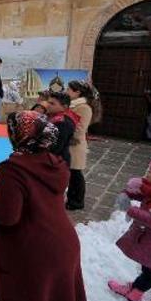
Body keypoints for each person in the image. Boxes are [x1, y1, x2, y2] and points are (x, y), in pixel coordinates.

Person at [0, 111, 87, 301]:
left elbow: (8, 216)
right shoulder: (55, 164)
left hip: (34, 251)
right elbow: (35, 192)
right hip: (64, 245)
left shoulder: (12, 169)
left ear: (20, 136)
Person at [108, 159, 151, 301]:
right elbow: (148, 194)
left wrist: (130, 210)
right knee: (150, 270)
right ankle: (135, 292)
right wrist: (128, 194)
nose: (149, 176)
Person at [66, 80, 101, 211]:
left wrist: (65, 134)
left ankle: (77, 201)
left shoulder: (84, 107)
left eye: (69, 89)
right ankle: (71, 199)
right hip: (70, 144)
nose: (66, 91)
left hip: (75, 145)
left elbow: (79, 129)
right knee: (72, 174)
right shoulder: (74, 105)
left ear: (77, 92)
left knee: (76, 174)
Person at [45, 92, 79, 172]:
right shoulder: (51, 117)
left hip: (56, 162)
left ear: (64, 107)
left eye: (52, 103)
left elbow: (56, 147)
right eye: (48, 102)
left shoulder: (62, 123)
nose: (48, 105)